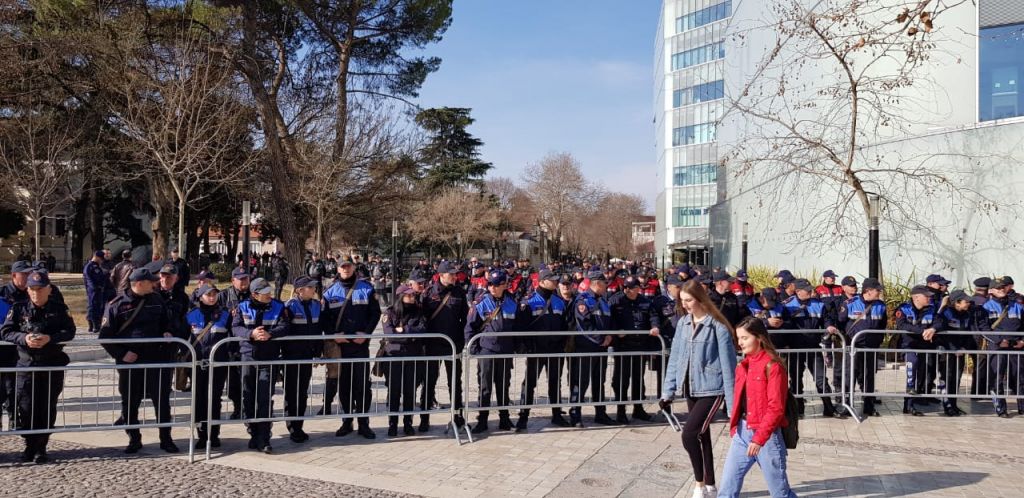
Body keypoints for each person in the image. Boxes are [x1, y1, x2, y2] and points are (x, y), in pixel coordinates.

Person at [659, 280, 737, 498]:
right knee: (702, 436)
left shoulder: (718, 327)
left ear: (700, 299)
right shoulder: (683, 323)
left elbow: (729, 368)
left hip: (712, 388)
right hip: (691, 388)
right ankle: (710, 484)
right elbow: (675, 358)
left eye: (689, 300)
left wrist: (732, 407)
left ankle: (699, 483)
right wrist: (668, 391)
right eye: (682, 301)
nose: (684, 305)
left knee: (689, 434)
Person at [99, 268, 181, 454]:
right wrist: (121, 354)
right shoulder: (116, 304)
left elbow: (167, 322)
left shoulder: (157, 299)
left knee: (162, 401)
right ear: (139, 284)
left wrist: (168, 332)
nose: (155, 283)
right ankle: (134, 439)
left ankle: (166, 439)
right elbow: (105, 336)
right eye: (151, 281)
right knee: (130, 401)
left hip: (156, 358)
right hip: (131, 361)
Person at [716, 317, 798, 498]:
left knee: (780, 493)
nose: (740, 343)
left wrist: (759, 438)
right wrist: (734, 427)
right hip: (742, 433)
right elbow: (739, 399)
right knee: (727, 489)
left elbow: (776, 408)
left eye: (744, 338)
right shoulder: (742, 366)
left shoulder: (773, 366)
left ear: (759, 338)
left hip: (767, 437)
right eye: (738, 338)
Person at [0, 271, 75, 464]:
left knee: (47, 406)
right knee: (26, 407)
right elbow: (6, 331)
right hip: (27, 365)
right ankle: (29, 445)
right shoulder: (18, 308)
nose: (36, 293)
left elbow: (69, 331)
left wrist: (51, 338)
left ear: (49, 289)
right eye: (32, 289)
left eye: (40, 289)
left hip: (51, 365)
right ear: (28, 290)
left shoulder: (59, 308)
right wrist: (23, 338)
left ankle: (42, 446)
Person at [321, 256, 380, 439]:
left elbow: (375, 314)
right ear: (338, 269)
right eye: (342, 267)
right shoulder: (330, 291)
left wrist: (367, 334)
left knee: (362, 385)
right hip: (341, 347)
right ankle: (347, 422)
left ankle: (364, 423)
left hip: (360, 346)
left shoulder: (367, 288)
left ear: (354, 267)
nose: (346, 269)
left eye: (348, 266)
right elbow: (324, 318)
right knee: (344, 386)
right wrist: (333, 335)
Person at [231, 278, 289, 453]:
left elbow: (285, 326)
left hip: (269, 357)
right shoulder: (242, 307)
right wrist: (251, 333)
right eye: (265, 293)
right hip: (248, 357)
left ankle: (264, 437)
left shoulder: (278, 306)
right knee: (248, 396)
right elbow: (235, 327)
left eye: (269, 292)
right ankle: (253, 433)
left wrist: (270, 334)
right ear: (254, 294)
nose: (269, 295)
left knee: (264, 398)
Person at [465, 270, 520, 434]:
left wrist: (517, 346)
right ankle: (482, 420)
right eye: (490, 285)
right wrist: (474, 350)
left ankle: (504, 419)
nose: (492, 288)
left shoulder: (512, 303)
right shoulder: (481, 303)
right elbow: (470, 327)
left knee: (504, 386)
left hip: (505, 351)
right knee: (485, 387)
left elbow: (517, 327)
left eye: (496, 285)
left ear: (504, 285)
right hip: (487, 351)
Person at [515, 269, 571, 431]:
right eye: (551, 279)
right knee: (529, 383)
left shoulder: (559, 301)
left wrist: (561, 344)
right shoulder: (529, 301)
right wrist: (528, 347)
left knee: (555, 382)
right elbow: (521, 327)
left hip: (555, 350)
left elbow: (564, 325)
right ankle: (523, 417)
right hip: (536, 350)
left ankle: (557, 415)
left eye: (555, 279)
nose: (555, 282)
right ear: (541, 282)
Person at [827, 277, 887, 418]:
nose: (879, 293)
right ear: (868, 291)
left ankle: (869, 406)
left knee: (869, 376)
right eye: (877, 290)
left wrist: (878, 340)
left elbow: (882, 325)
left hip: (871, 347)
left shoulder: (881, 306)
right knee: (850, 375)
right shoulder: (850, 304)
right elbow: (840, 322)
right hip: (853, 346)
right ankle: (847, 405)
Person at [421, 261, 469, 431]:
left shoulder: (459, 292)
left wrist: (462, 341)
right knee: (429, 382)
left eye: (455, 274)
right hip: (433, 345)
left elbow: (465, 318)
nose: (455, 277)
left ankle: (457, 417)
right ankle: (424, 418)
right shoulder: (429, 293)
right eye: (451, 274)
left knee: (455, 383)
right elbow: (422, 319)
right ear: (441, 275)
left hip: (453, 344)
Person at [568, 270, 618, 427]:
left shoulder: (603, 301)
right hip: (586, 348)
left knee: (599, 381)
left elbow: (609, 322)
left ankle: (600, 413)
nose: (606, 287)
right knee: (581, 382)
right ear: (597, 284)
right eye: (604, 284)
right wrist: (601, 338)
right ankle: (575, 414)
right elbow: (584, 324)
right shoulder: (583, 300)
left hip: (601, 349)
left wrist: (609, 336)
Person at [608, 275, 659, 424]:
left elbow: (653, 316)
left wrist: (655, 326)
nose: (629, 291)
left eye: (633, 288)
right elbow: (610, 320)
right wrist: (616, 331)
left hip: (640, 346)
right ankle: (621, 412)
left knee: (638, 379)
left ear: (638, 289)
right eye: (627, 288)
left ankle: (638, 409)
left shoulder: (645, 302)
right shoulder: (616, 301)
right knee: (621, 381)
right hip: (623, 347)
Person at [783, 279, 836, 417]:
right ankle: (798, 409)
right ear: (798, 291)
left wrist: (829, 326)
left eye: (810, 289)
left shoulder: (819, 304)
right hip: (795, 349)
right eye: (807, 290)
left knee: (821, 378)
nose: (810, 292)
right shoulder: (787, 305)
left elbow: (826, 319)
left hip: (813, 347)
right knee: (796, 379)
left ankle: (829, 408)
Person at [187, 284, 231, 449]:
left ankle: (213, 435)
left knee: (214, 399)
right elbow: (184, 337)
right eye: (208, 295)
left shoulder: (225, 314)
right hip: (197, 364)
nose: (212, 297)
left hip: (218, 364)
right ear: (200, 297)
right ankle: (201, 435)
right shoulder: (191, 315)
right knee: (198, 399)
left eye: (214, 294)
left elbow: (232, 337)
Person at [281, 276, 323, 443]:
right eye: (310, 287)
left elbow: (319, 330)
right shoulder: (290, 306)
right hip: (292, 356)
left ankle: (299, 425)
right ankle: (293, 428)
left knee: (302, 392)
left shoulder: (316, 305)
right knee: (292, 392)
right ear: (300, 290)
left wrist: (318, 352)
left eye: (314, 287)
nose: (313, 290)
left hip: (307, 355)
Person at [382, 285, 427, 436]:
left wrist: (404, 331)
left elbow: (422, 330)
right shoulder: (390, 312)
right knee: (394, 391)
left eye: (413, 295)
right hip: (394, 356)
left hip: (413, 356)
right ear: (400, 297)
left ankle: (408, 423)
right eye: (408, 295)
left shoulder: (418, 311)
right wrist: (409, 336)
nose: (412, 297)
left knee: (410, 391)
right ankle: (392, 424)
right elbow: (389, 334)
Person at [896, 285, 943, 416]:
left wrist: (933, 329)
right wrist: (922, 331)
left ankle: (910, 405)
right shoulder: (903, 309)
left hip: (925, 347)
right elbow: (902, 325)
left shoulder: (931, 309)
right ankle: (909, 404)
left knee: (921, 376)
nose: (929, 298)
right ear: (916, 297)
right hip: (908, 345)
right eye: (926, 296)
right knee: (912, 368)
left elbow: (940, 322)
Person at [981, 277, 1024, 418]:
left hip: (1016, 347)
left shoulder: (1017, 305)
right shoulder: (986, 307)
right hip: (997, 347)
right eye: (998, 288)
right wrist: (999, 341)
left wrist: (1022, 341)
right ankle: (1001, 409)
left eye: (1003, 287)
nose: (1001, 290)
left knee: (1019, 377)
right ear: (991, 290)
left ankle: (1022, 407)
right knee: (997, 377)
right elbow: (983, 328)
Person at [938, 290, 981, 417]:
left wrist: (964, 348)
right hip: (947, 352)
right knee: (947, 378)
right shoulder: (946, 313)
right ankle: (947, 406)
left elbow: (968, 334)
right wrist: (953, 349)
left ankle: (954, 405)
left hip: (960, 352)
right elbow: (942, 334)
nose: (968, 303)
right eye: (966, 301)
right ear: (957, 302)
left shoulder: (967, 314)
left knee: (956, 379)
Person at [217, 267, 251, 419]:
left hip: (248, 344)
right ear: (233, 280)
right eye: (240, 279)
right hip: (229, 345)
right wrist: (228, 315)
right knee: (233, 382)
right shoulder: (223, 296)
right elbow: (216, 316)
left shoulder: (253, 294)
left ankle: (247, 408)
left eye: (246, 278)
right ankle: (238, 407)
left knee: (247, 379)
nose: (244, 281)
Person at [83, 250, 109, 333]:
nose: (101, 260)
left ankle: (94, 324)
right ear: (96, 257)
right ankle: (94, 325)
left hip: (99, 289)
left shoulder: (97, 266)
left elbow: (100, 277)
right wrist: (94, 287)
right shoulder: (89, 266)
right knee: (93, 306)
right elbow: (88, 279)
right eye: (101, 259)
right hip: (93, 290)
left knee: (97, 306)